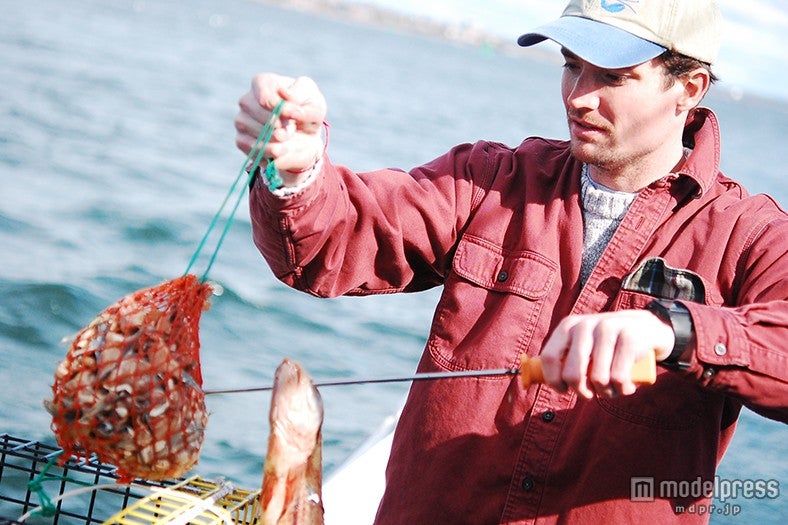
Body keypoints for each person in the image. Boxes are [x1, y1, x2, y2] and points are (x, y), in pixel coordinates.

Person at [235, 0, 788, 523]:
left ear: (688, 89)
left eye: (613, 77)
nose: (579, 97)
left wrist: (677, 332)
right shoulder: (492, 179)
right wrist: (298, 170)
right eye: (572, 66)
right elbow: (334, 244)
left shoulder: (750, 232)